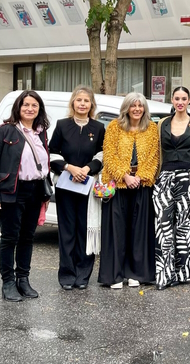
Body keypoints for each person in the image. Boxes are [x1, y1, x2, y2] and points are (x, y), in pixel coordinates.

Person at [0, 90, 52, 302]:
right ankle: (8, 283)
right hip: (11, 192)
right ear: (18, 107)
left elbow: (44, 165)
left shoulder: (41, 132)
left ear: (39, 109)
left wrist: (45, 194)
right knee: (9, 239)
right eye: (26, 105)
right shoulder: (4, 131)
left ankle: (23, 279)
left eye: (34, 105)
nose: (30, 109)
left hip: (34, 191)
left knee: (27, 238)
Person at [98, 93, 159, 289]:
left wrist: (139, 177)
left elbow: (153, 157)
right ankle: (114, 275)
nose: (137, 109)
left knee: (139, 232)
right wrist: (124, 176)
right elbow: (109, 154)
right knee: (116, 231)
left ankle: (135, 274)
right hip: (118, 185)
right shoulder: (114, 126)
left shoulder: (152, 128)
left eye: (140, 106)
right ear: (126, 108)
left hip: (142, 184)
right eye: (133, 105)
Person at [49, 86, 105, 290]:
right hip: (66, 186)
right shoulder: (62, 125)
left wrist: (87, 169)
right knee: (67, 232)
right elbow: (52, 153)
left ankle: (82, 276)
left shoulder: (98, 128)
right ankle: (66, 275)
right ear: (73, 102)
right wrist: (70, 168)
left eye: (86, 101)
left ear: (91, 105)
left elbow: (101, 155)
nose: (82, 104)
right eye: (79, 100)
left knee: (84, 231)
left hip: (87, 188)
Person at [153, 86, 190, 290]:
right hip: (165, 177)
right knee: (163, 226)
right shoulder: (162, 124)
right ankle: (164, 275)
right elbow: (157, 152)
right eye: (177, 98)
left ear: (189, 101)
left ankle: (183, 273)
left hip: (189, 177)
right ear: (172, 100)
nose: (180, 102)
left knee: (185, 227)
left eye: (184, 98)